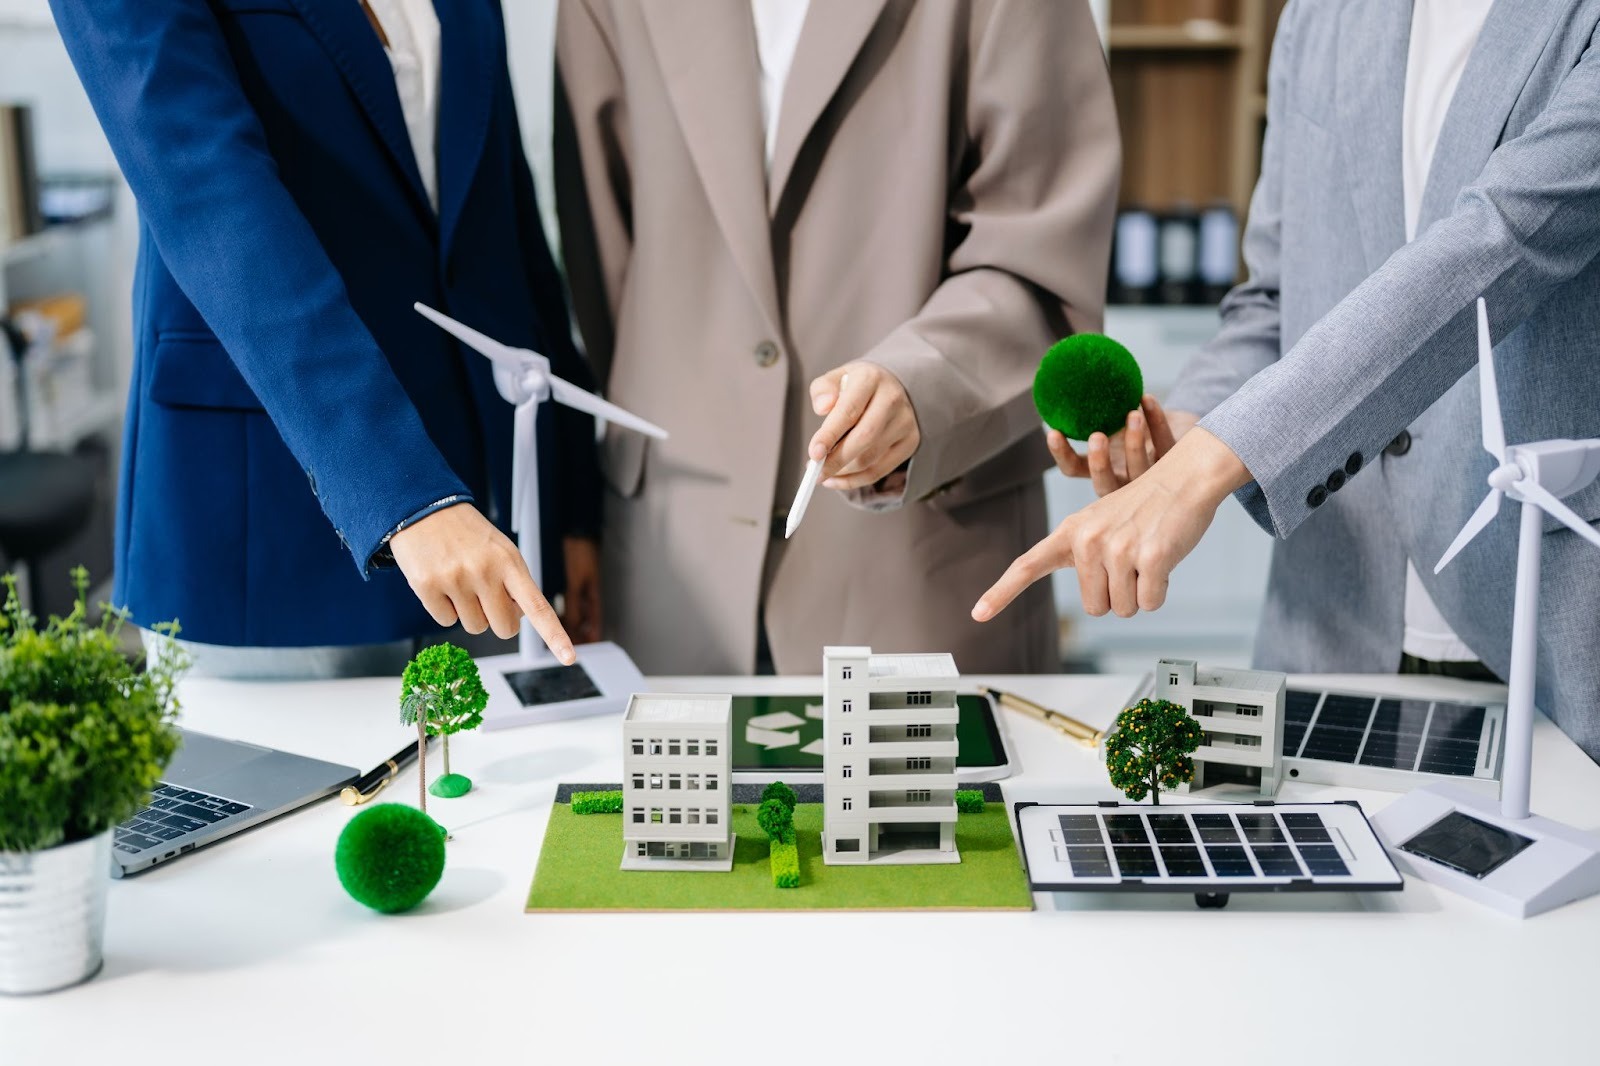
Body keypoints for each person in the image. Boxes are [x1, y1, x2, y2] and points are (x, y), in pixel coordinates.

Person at [974, 0, 1600, 760]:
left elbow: (1495, 246)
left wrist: (1209, 467)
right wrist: (1185, 431)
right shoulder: (1323, 12)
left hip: (1548, 640)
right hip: (1330, 634)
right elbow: (1276, 298)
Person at [554, 0, 1119, 675]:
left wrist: (927, 385)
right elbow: (603, 257)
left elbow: (1043, 257)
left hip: (917, 560)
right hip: (672, 562)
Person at [50, 0, 603, 676]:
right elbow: (208, 190)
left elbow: (503, 206)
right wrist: (408, 495)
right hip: (270, 523)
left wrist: (571, 497)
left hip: (487, 532)